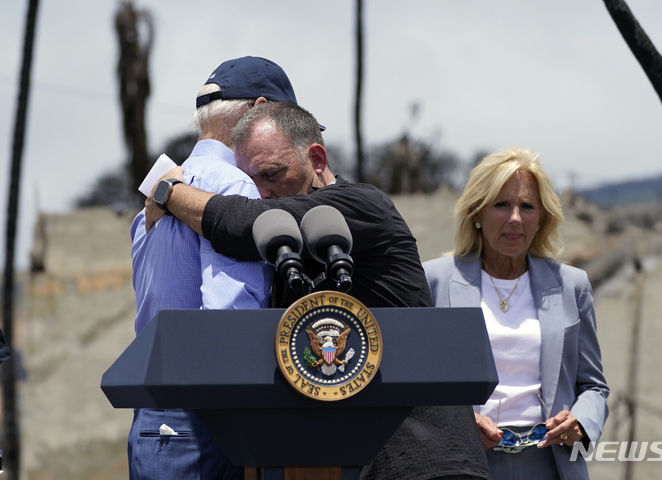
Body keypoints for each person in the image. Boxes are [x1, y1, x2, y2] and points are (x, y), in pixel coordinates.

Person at [144, 101, 491, 479]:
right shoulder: (283, 247)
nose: (262, 192)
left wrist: (167, 190)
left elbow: (242, 224)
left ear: (317, 159)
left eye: (272, 174)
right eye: (250, 183)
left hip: (419, 458)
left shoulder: (360, 204)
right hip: (333, 459)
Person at [128, 56, 303, 479]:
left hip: (153, 414)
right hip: (206, 419)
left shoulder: (153, 199)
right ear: (258, 111)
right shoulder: (235, 187)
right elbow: (230, 322)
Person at [422, 147, 609, 480]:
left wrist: (580, 422)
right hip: (461, 461)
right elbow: (417, 384)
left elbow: (593, 386)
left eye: (527, 207)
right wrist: (459, 421)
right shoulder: (434, 280)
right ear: (477, 212)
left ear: (542, 218)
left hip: (552, 464)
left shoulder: (571, 285)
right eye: (501, 205)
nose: (514, 219)